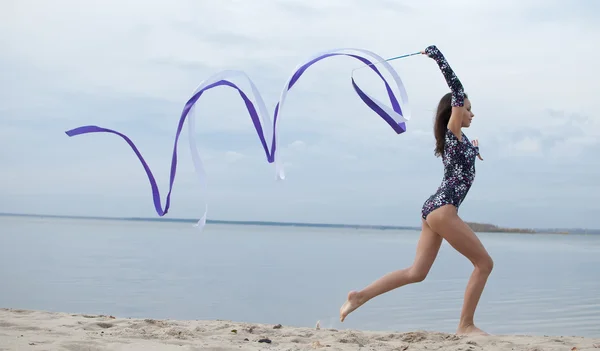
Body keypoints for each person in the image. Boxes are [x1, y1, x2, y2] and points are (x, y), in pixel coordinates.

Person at [338, 45, 493, 336]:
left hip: (432, 209)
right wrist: (438, 57)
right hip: (444, 208)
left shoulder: (459, 142)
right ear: (455, 111)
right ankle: (466, 325)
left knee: (416, 273)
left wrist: (474, 151)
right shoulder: (452, 132)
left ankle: (359, 297)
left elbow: (461, 164)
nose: (471, 113)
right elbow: (457, 90)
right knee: (484, 263)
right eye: (467, 108)